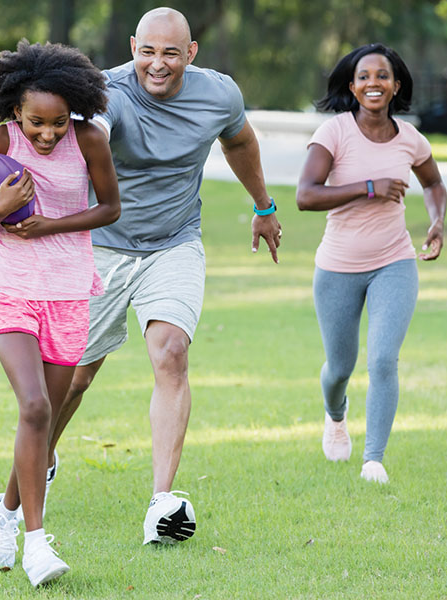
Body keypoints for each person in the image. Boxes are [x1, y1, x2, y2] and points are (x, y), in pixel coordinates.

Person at [46, 7, 282, 545]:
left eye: (170, 52)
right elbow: (90, 137)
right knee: (76, 376)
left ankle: (162, 503)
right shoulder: (104, 92)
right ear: (133, 46)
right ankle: (41, 455)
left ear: (191, 54)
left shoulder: (218, 95)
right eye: (147, 50)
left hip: (174, 242)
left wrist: (264, 206)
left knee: (171, 352)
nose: (157, 63)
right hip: (101, 248)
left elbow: (240, 142)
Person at [0, 41, 119, 587]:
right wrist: (1, 210)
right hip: (8, 288)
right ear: (15, 113)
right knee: (33, 406)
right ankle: (36, 544)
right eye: (36, 123)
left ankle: (1, 511)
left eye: (58, 122)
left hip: (69, 289)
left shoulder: (90, 140)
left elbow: (110, 207)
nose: (47, 134)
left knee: (45, 420)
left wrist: (48, 224)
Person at [296, 43, 447, 484]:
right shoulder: (335, 133)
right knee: (339, 368)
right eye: (364, 77)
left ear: (396, 85)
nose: (373, 83)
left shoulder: (411, 138)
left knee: (383, 359)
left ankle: (373, 460)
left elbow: (434, 183)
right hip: (338, 266)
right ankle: (335, 414)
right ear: (353, 86)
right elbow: (306, 195)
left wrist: (437, 221)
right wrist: (368, 186)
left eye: (382, 76)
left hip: (394, 262)